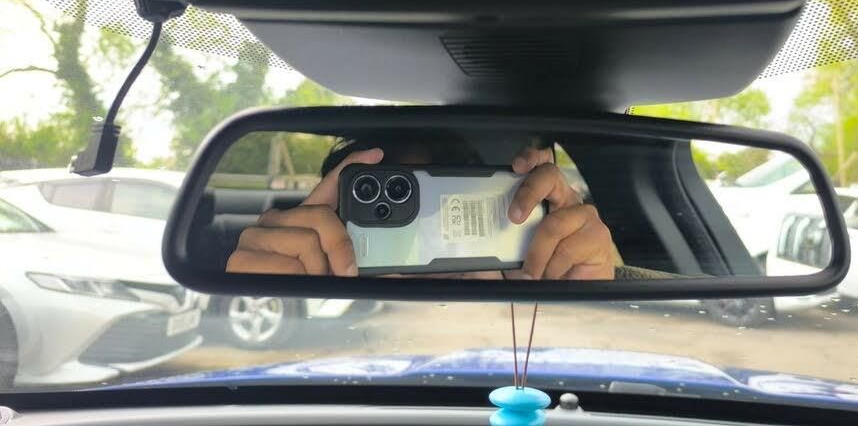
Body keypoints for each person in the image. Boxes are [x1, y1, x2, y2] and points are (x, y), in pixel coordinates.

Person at [226, 130, 617, 280]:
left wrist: (587, 294)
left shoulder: (527, 293)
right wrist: (275, 292)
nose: (430, 267)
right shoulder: (327, 297)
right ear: (340, 240)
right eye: (397, 228)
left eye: (443, 215)